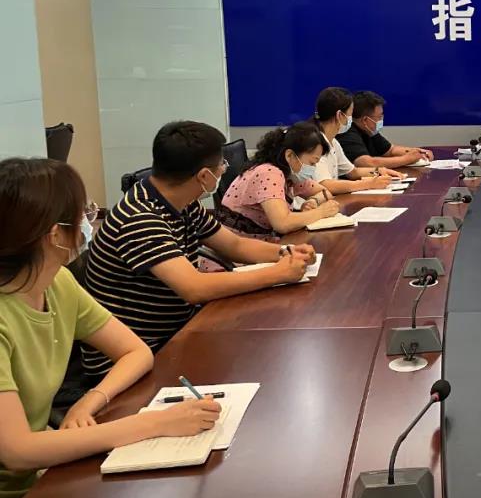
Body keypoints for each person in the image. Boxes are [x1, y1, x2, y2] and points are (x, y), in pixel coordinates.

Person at [0, 158, 221, 498]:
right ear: (55, 235)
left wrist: (90, 400)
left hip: (40, 481)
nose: (88, 223)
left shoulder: (56, 283)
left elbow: (135, 351)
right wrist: (155, 424)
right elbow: (17, 450)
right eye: (83, 215)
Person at [82, 121, 315, 376]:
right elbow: (194, 288)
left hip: (175, 331)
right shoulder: (139, 217)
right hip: (133, 357)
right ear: (204, 176)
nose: (224, 168)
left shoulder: (182, 201)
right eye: (222, 164)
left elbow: (234, 245)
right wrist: (277, 274)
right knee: (259, 364)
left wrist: (286, 252)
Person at [218, 122, 341, 238]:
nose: (312, 168)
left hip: (261, 241)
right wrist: (321, 212)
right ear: (290, 155)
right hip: (240, 246)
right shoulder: (269, 173)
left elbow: (325, 192)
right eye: (312, 163)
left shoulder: (291, 174)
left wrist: (313, 201)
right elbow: (282, 223)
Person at [310, 87, 402, 195]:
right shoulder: (314, 143)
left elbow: (353, 172)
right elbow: (326, 184)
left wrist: (379, 171)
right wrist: (368, 184)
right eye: (350, 114)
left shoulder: (333, 142)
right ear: (339, 115)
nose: (352, 119)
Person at [339, 90, 434, 168]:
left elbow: (390, 150)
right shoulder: (347, 133)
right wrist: (406, 159)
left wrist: (417, 152)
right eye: (379, 116)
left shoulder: (370, 131)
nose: (382, 119)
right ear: (365, 120)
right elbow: (366, 163)